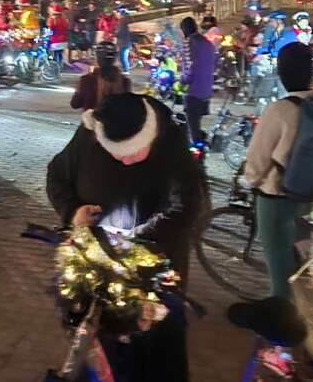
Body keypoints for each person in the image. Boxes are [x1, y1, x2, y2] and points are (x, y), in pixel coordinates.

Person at [46, 93, 203, 381]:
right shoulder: (89, 135)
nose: (126, 160)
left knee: (157, 360)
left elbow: (188, 206)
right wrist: (72, 211)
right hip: (96, 277)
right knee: (104, 357)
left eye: (135, 152)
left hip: (154, 277)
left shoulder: (171, 139)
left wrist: (134, 242)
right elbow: (57, 176)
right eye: (116, 154)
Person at [242, 42, 313, 298]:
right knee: (295, 255)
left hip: (276, 198)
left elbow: (258, 159)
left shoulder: (280, 110)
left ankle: (285, 314)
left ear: (282, 73)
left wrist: (249, 180)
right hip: (308, 194)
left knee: (280, 273)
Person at [178, 17, 216, 148]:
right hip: (206, 89)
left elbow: (190, 67)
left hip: (193, 90)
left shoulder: (189, 42)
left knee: (193, 126)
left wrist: (183, 82)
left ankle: (196, 151)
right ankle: (202, 144)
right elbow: (215, 62)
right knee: (196, 122)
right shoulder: (207, 42)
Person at [71, 42, 133, 111]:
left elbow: (75, 104)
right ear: (115, 59)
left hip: (92, 117)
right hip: (116, 118)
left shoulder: (87, 79)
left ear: (97, 58)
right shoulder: (125, 81)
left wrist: (78, 89)